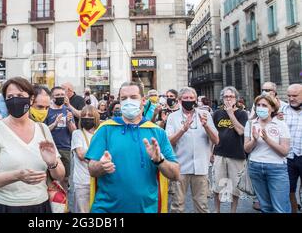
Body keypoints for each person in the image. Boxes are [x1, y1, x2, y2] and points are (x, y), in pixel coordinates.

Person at [85, 81, 179, 213]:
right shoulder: (105, 129)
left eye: (134, 97)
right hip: (106, 210)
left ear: (143, 100)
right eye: (124, 98)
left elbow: (175, 174)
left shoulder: (157, 132)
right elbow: (92, 169)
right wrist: (101, 166)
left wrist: (160, 161)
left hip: (147, 209)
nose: (128, 101)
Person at [0, 77, 65, 213]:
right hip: (2, 206)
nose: (15, 100)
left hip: (39, 205)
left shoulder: (43, 129)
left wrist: (52, 163)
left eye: (19, 95)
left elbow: (60, 175)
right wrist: (17, 176)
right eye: (10, 96)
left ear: (30, 99)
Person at [166, 87, 219, 213]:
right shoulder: (173, 117)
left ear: (195, 100)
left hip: (201, 167)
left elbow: (216, 140)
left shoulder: (205, 115)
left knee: (202, 205)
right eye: (185, 98)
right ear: (179, 100)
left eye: (191, 98)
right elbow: (168, 142)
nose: (188, 100)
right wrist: (183, 130)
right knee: (177, 205)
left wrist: (206, 126)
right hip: (180, 167)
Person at [244, 95, 291, 213]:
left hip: (277, 169)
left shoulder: (281, 124)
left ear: (272, 109)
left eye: (264, 105)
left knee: (280, 208)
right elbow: (247, 149)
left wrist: (267, 140)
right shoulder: (250, 124)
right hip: (256, 167)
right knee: (265, 207)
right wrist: (254, 140)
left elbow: (285, 152)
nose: (261, 108)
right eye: (258, 105)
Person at [212, 87, 248, 213]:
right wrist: (211, 152)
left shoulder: (242, 114)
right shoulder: (216, 114)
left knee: (235, 186)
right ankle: (217, 210)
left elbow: (241, 131)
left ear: (236, 99)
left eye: (231, 97)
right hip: (219, 153)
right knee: (217, 185)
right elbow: (212, 134)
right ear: (222, 99)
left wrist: (230, 113)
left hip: (237, 155)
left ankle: (233, 210)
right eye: (226, 97)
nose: (228, 99)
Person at [45, 86, 77, 188]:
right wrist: (54, 124)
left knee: (65, 178)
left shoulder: (67, 110)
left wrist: (69, 122)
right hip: (51, 149)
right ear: (52, 97)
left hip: (65, 148)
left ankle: (65, 202)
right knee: (51, 179)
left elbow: (74, 131)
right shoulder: (47, 111)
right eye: (57, 95)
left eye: (62, 95)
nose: (60, 97)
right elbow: (43, 131)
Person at [71, 105, 99, 213]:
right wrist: (100, 151)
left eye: (90, 115)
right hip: (82, 182)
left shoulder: (100, 133)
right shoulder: (77, 133)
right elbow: (81, 154)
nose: (86, 118)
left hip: (99, 181)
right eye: (84, 116)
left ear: (96, 117)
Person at [283, 84, 302, 213]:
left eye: (294, 95)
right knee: (289, 189)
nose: (291, 98)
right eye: (289, 96)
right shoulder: (282, 111)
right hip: (288, 157)